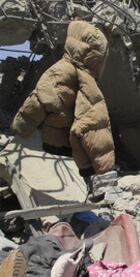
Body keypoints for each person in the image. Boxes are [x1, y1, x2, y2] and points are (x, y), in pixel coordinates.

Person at [11, 21, 115, 199]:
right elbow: (92, 124)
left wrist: (21, 127)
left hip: (54, 140)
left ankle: (91, 186)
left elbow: (38, 101)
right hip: (65, 143)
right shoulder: (83, 79)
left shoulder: (62, 71)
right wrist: (104, 169)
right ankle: (93, 186)